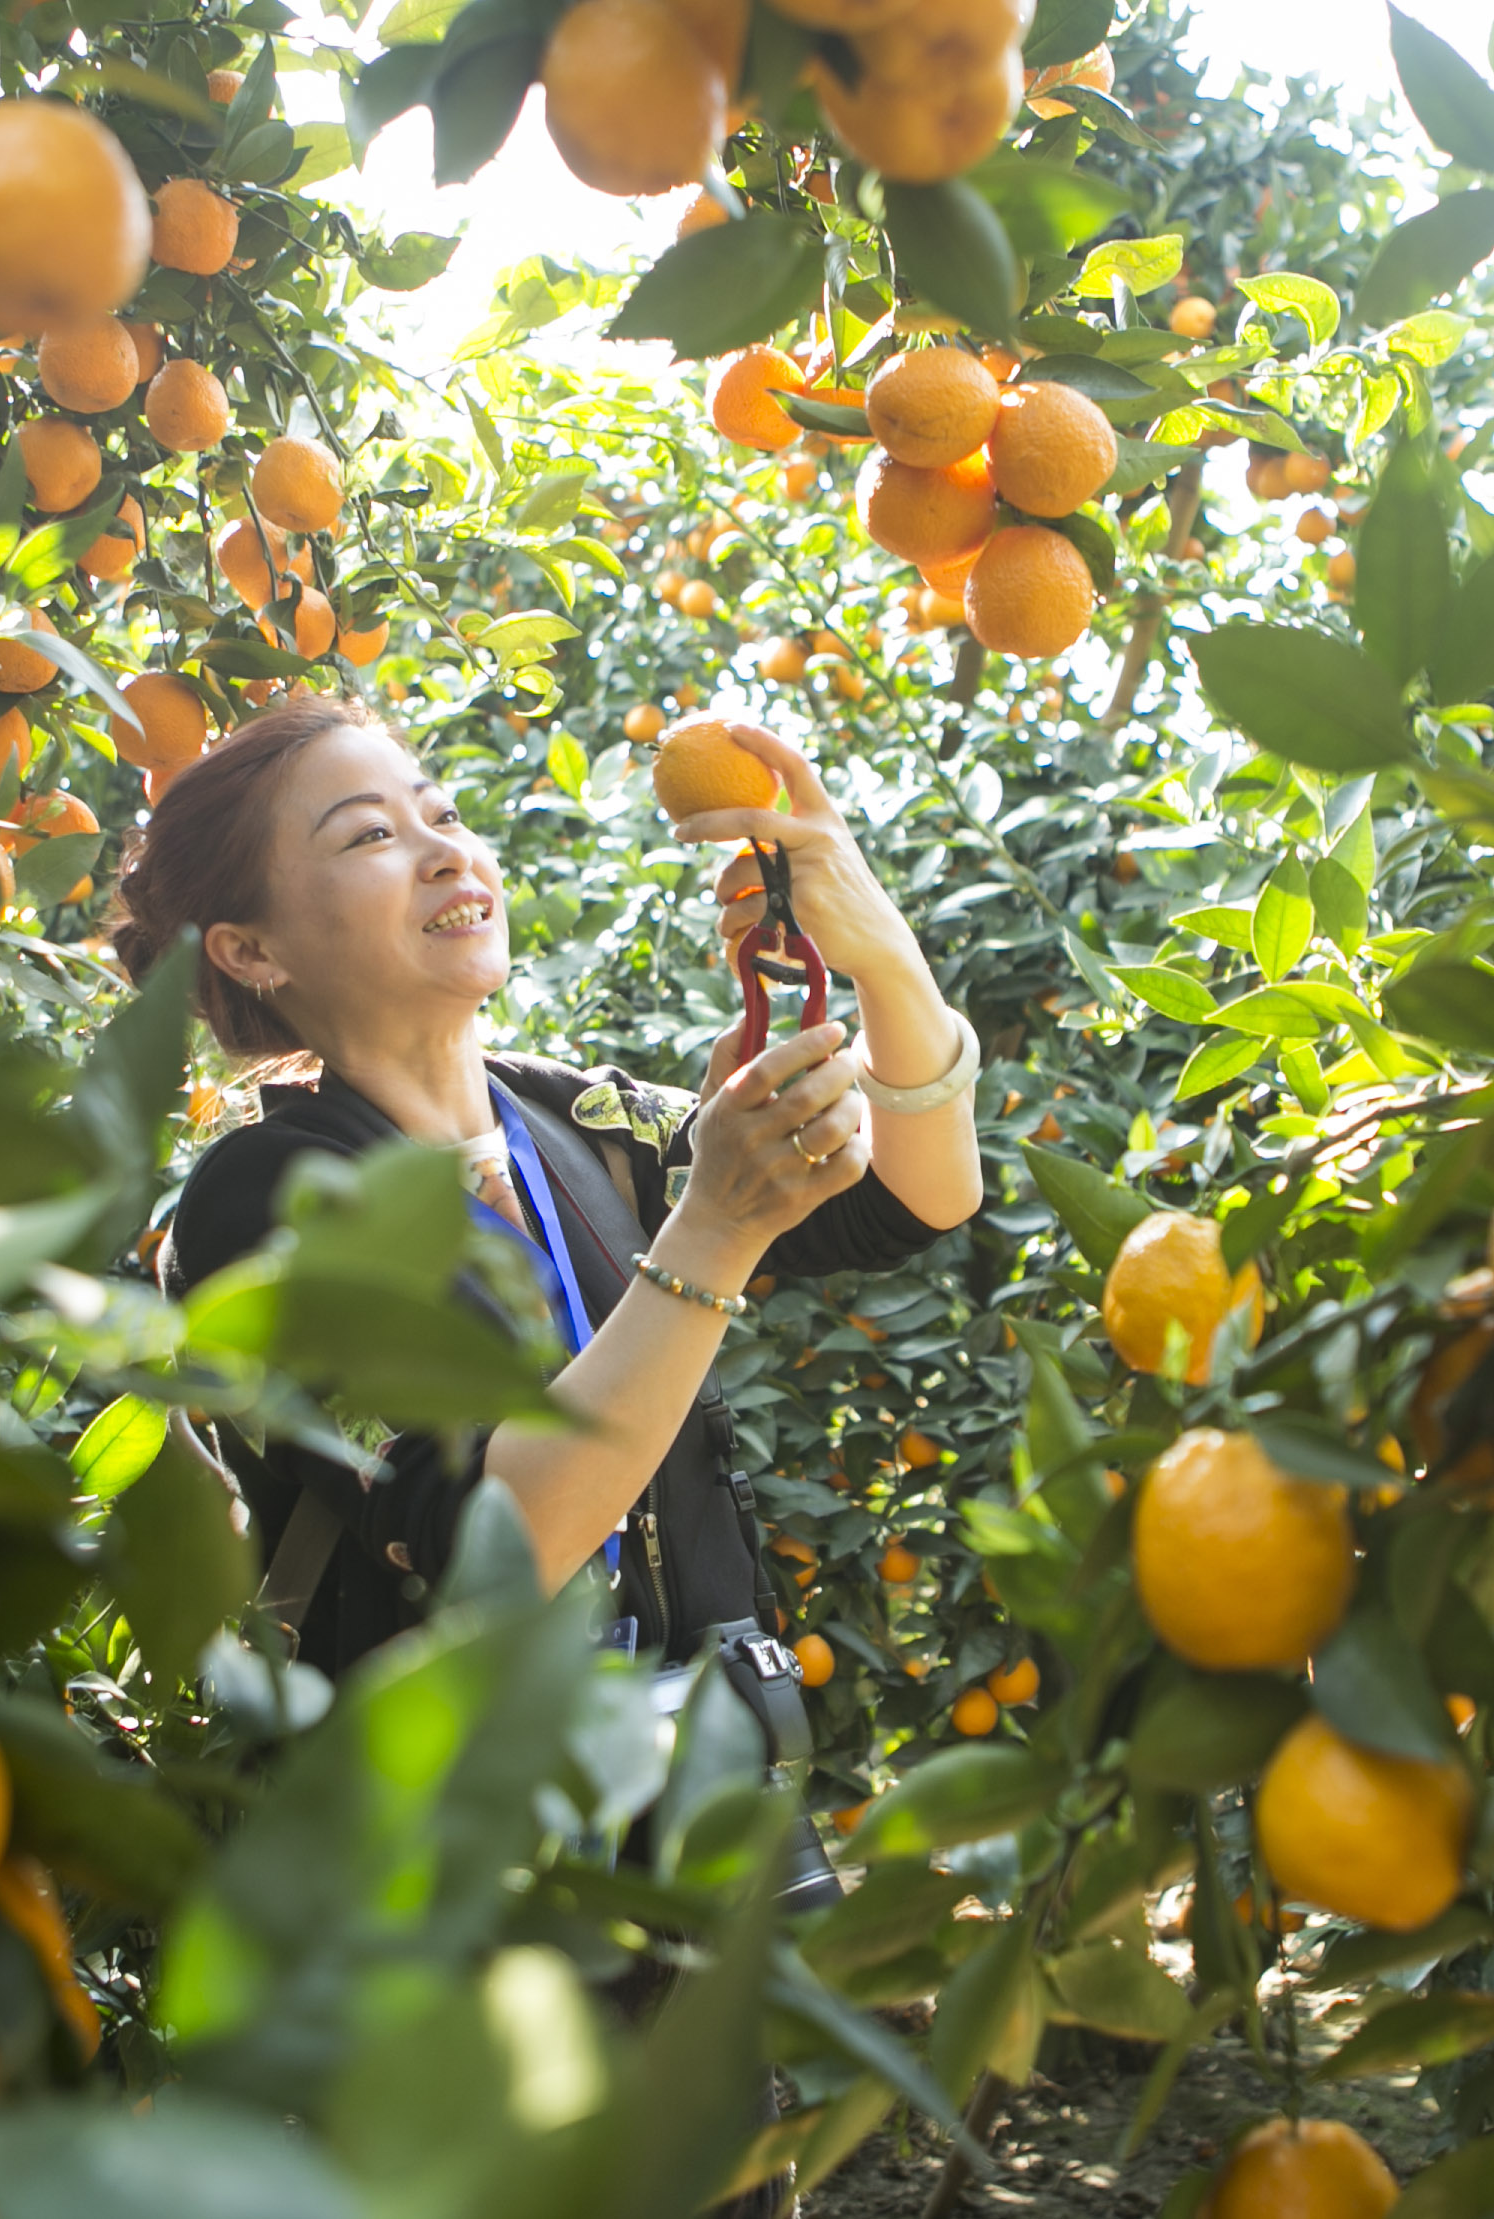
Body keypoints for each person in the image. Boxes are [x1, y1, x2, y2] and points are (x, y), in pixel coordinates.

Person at [112, 688, 985, 1680]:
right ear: (252, 948)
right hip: (466, 1817)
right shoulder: (265, 1199)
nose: (446, 852)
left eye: (441, 814)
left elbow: (917, 1198)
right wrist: (714, 1229)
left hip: (706, 1782)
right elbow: (490, 1543)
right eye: (367, 838)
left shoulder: (581, 1123)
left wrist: (883, 956)